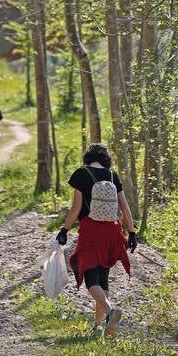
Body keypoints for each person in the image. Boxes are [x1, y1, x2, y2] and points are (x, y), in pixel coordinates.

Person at [56, 143, 137, 337]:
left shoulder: (81, 174)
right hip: (112, 231)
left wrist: (64, 229)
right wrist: (132, 233)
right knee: (103, 279)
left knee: (90, 278)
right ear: (105, 159)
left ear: (87, 157)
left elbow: (76, 208)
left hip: (91, 231)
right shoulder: (112, 176)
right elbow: (125, 207)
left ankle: (110, 313)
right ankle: (99, 327)